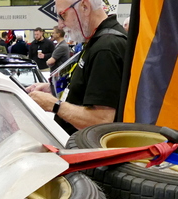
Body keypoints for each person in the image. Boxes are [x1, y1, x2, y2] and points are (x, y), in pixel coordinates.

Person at [27, 0, 127, 134]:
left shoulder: (106, 48)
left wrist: (54, 105)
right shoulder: (96, 41)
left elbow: (101, 121)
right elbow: (88, 89)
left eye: (63, 16)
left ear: (85, 7)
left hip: (85, 151)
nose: (60, 25)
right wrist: (52, 90)